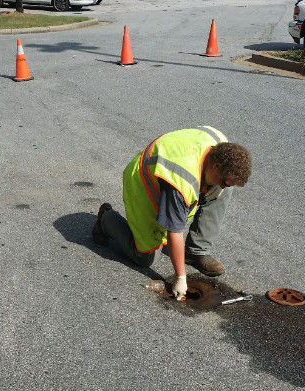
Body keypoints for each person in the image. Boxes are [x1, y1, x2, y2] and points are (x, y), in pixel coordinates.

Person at [92, 126, 251, 300]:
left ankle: (195, 251)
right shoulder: (181, 180)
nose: (224, 185)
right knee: (145, 258)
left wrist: (222, 185)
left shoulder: (222, 148)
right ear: (216, 165)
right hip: (144, 183)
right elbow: (174, 230)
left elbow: (223, 177)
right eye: (224, 181)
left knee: (223, 189)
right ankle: (106, 219)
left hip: (178, 171)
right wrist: (180, 277)